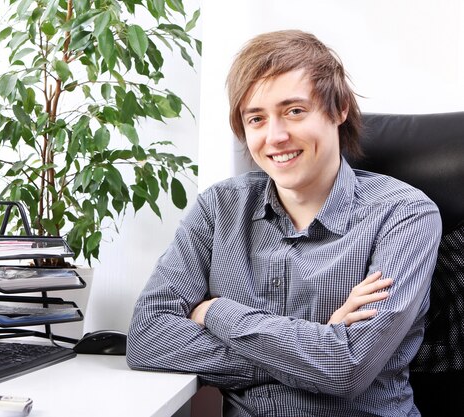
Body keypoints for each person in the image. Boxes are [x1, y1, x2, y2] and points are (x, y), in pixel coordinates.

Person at [126, 30, 442, 417]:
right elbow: (145, 339)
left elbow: (347, 368)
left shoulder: (404, 214)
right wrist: (318, 346)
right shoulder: (219, 207)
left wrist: (215, 313)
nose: (275, 136)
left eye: (294, 111)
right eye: (256, 118)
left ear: (339, 108)